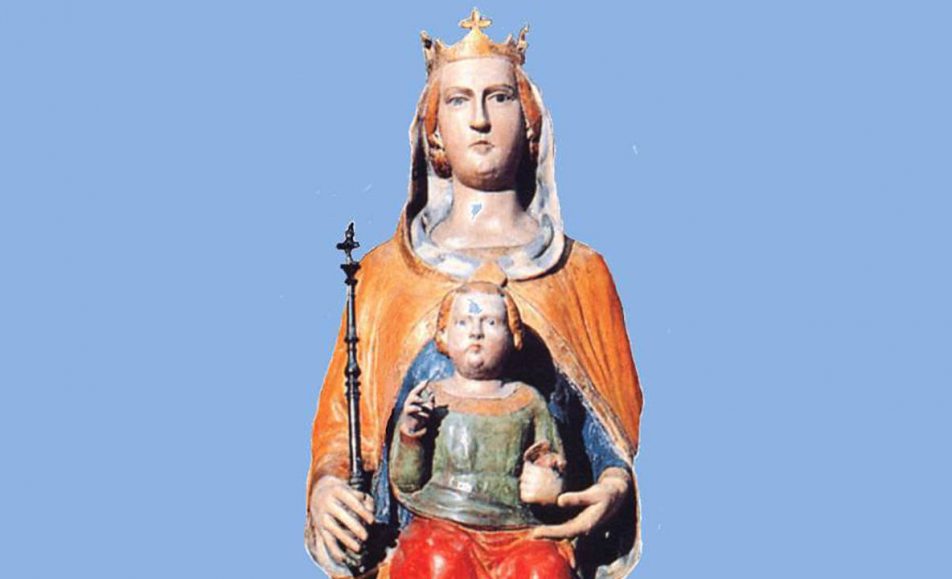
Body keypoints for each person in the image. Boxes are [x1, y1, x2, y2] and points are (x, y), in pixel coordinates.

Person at [306, 10, 643, 578]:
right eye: (459, 100)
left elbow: (609, 431)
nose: (480, 119)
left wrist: (612, 484)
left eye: (500, 98)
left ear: (530, 120)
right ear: (434, 129)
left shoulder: (582, 275)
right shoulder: (385, 275)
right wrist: (327, 488)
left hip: (539, 541)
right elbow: (344, 423)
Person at [388, 282, 570, 578]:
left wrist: (551, 481)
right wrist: (411, 432)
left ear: (513, 337)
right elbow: (406, 482)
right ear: (443, 335)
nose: (476, 333)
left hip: (517, 528)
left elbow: (551, 458)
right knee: (437, 562)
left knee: (545, 569)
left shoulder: (528, 401)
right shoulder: (431, 398)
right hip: (444, 521)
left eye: (491, 322)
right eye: (463, 322)